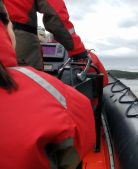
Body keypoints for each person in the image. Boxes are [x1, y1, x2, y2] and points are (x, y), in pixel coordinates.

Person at [0, 3, 96, 168]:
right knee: (33, 109)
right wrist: (77, 50)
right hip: (25, 45)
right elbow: (56, 14)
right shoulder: (62, 97)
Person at [3, 0, 88, 70]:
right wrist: (78, 50)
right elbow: (56, 15)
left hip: (8, 37)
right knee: (26, 84)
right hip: (20, 43)